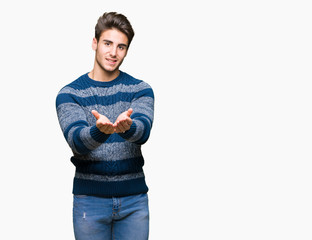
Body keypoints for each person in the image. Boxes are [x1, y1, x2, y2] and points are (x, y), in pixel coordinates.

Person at [56, 12, 154, 240]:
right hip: (89, 202)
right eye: (107, 43)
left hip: (134, 201)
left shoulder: (140, 89)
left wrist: (127, 127)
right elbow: (77, 141)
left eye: (121, 47)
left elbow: (143, 131)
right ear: (94, 43)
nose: (113, 52)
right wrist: (99, 131)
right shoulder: (69, 94)